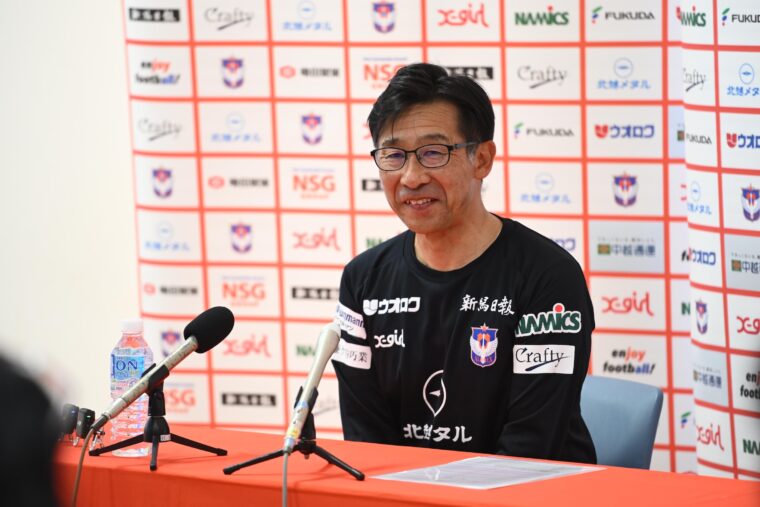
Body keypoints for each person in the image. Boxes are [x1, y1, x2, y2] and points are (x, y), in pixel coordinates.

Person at [332, 63, 596, 464]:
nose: (411, 177)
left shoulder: (548, 277)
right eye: (394, 155)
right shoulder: (362, 280)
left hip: (532, 489)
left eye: (433, 153)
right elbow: (367, 444)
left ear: (482, 159)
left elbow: (531, 448)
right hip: (404, 491)